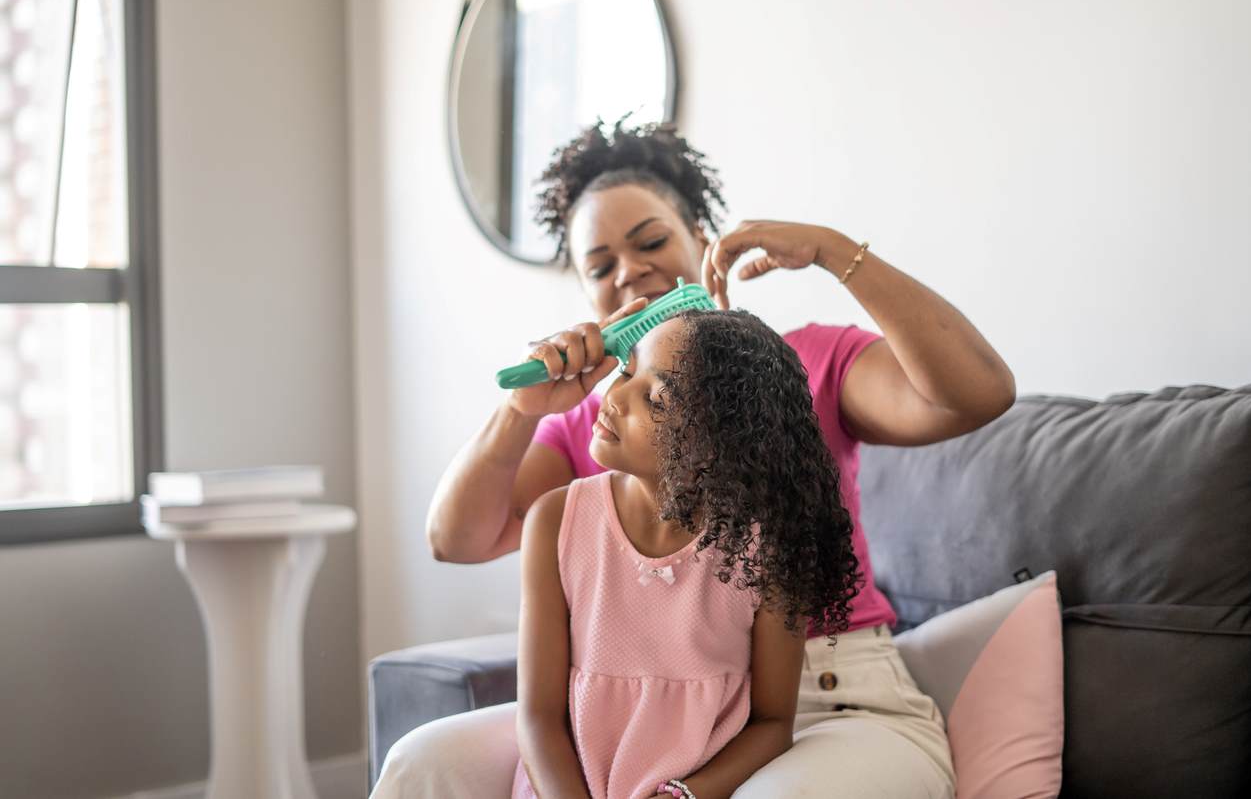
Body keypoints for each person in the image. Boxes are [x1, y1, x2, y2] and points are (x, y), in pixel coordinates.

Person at [371, 118, 1015, 798]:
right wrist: (519, 412)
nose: (630, 272)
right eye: (600, 266)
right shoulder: (597, 423)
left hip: (830, 698)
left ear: (701, 242)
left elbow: (977, 393)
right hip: (650, 720)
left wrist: (833, 252)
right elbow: (455, 539)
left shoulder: (798, 373)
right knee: (425, 762)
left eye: (651, 242)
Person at [514, 309, 861, 799]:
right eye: (627, 371)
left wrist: (683, 795)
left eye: (654, 399)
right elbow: (537, 716)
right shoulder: (555, 521)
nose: (614, 398)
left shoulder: (768, 546)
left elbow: (773, 724)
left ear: (718, 446)